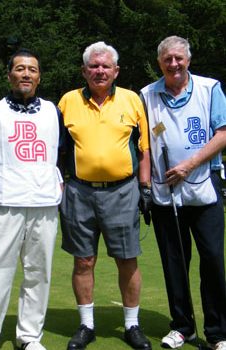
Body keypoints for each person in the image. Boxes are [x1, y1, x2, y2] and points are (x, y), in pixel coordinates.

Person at [58, 41, 152, 350]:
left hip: (123, 192)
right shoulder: (67, 101)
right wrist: (59, 186)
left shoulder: (132, 100)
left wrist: (146, 187)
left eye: (105, 66)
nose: (100, 71)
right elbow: (57, 149)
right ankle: (87, 325)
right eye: (94, 66)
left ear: (116, 71)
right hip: (79, 192)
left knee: (127, 259)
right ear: (84, 71)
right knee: (83, 261)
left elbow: (143, 150)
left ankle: (131, 325)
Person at [140, 35, 226, 350]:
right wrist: (145, 185)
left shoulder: (209, 88)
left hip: (204, 184)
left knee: (213, 259)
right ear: (160, 63)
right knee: (174, 261)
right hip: (166, 193)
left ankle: (218, 332)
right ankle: (182, 327)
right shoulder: (147, 94)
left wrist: (189, 164)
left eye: (179, 58)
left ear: (187, 59)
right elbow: (144, 145)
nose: (174, 64)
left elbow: (223, 133)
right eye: (167, 60)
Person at [0, 48, 64, 350]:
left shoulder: (54, 112)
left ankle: (29, 337)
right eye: (20, 69)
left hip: (43, 203)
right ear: (9, 74)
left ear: (39, 77)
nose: (26, 74)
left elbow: (60, 154)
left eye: (32, 69)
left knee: (39, 274)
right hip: (4, 203)